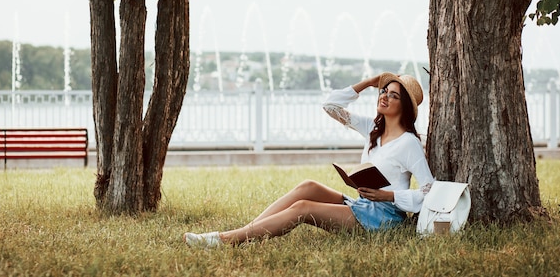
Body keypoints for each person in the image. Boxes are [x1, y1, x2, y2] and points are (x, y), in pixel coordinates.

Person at [183, 72, 434, 248]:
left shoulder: (409, 143)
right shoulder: (371, 128)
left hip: (384, 218)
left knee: (303, 208)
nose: (384, 97)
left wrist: (388, 196)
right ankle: (248, 231)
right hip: (364, 205)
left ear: (405, 108)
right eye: (384, 91)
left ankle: (225, 240)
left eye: (393, 96)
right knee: (308, 187)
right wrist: (368, 82)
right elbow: (330, 106)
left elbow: (429, 191)